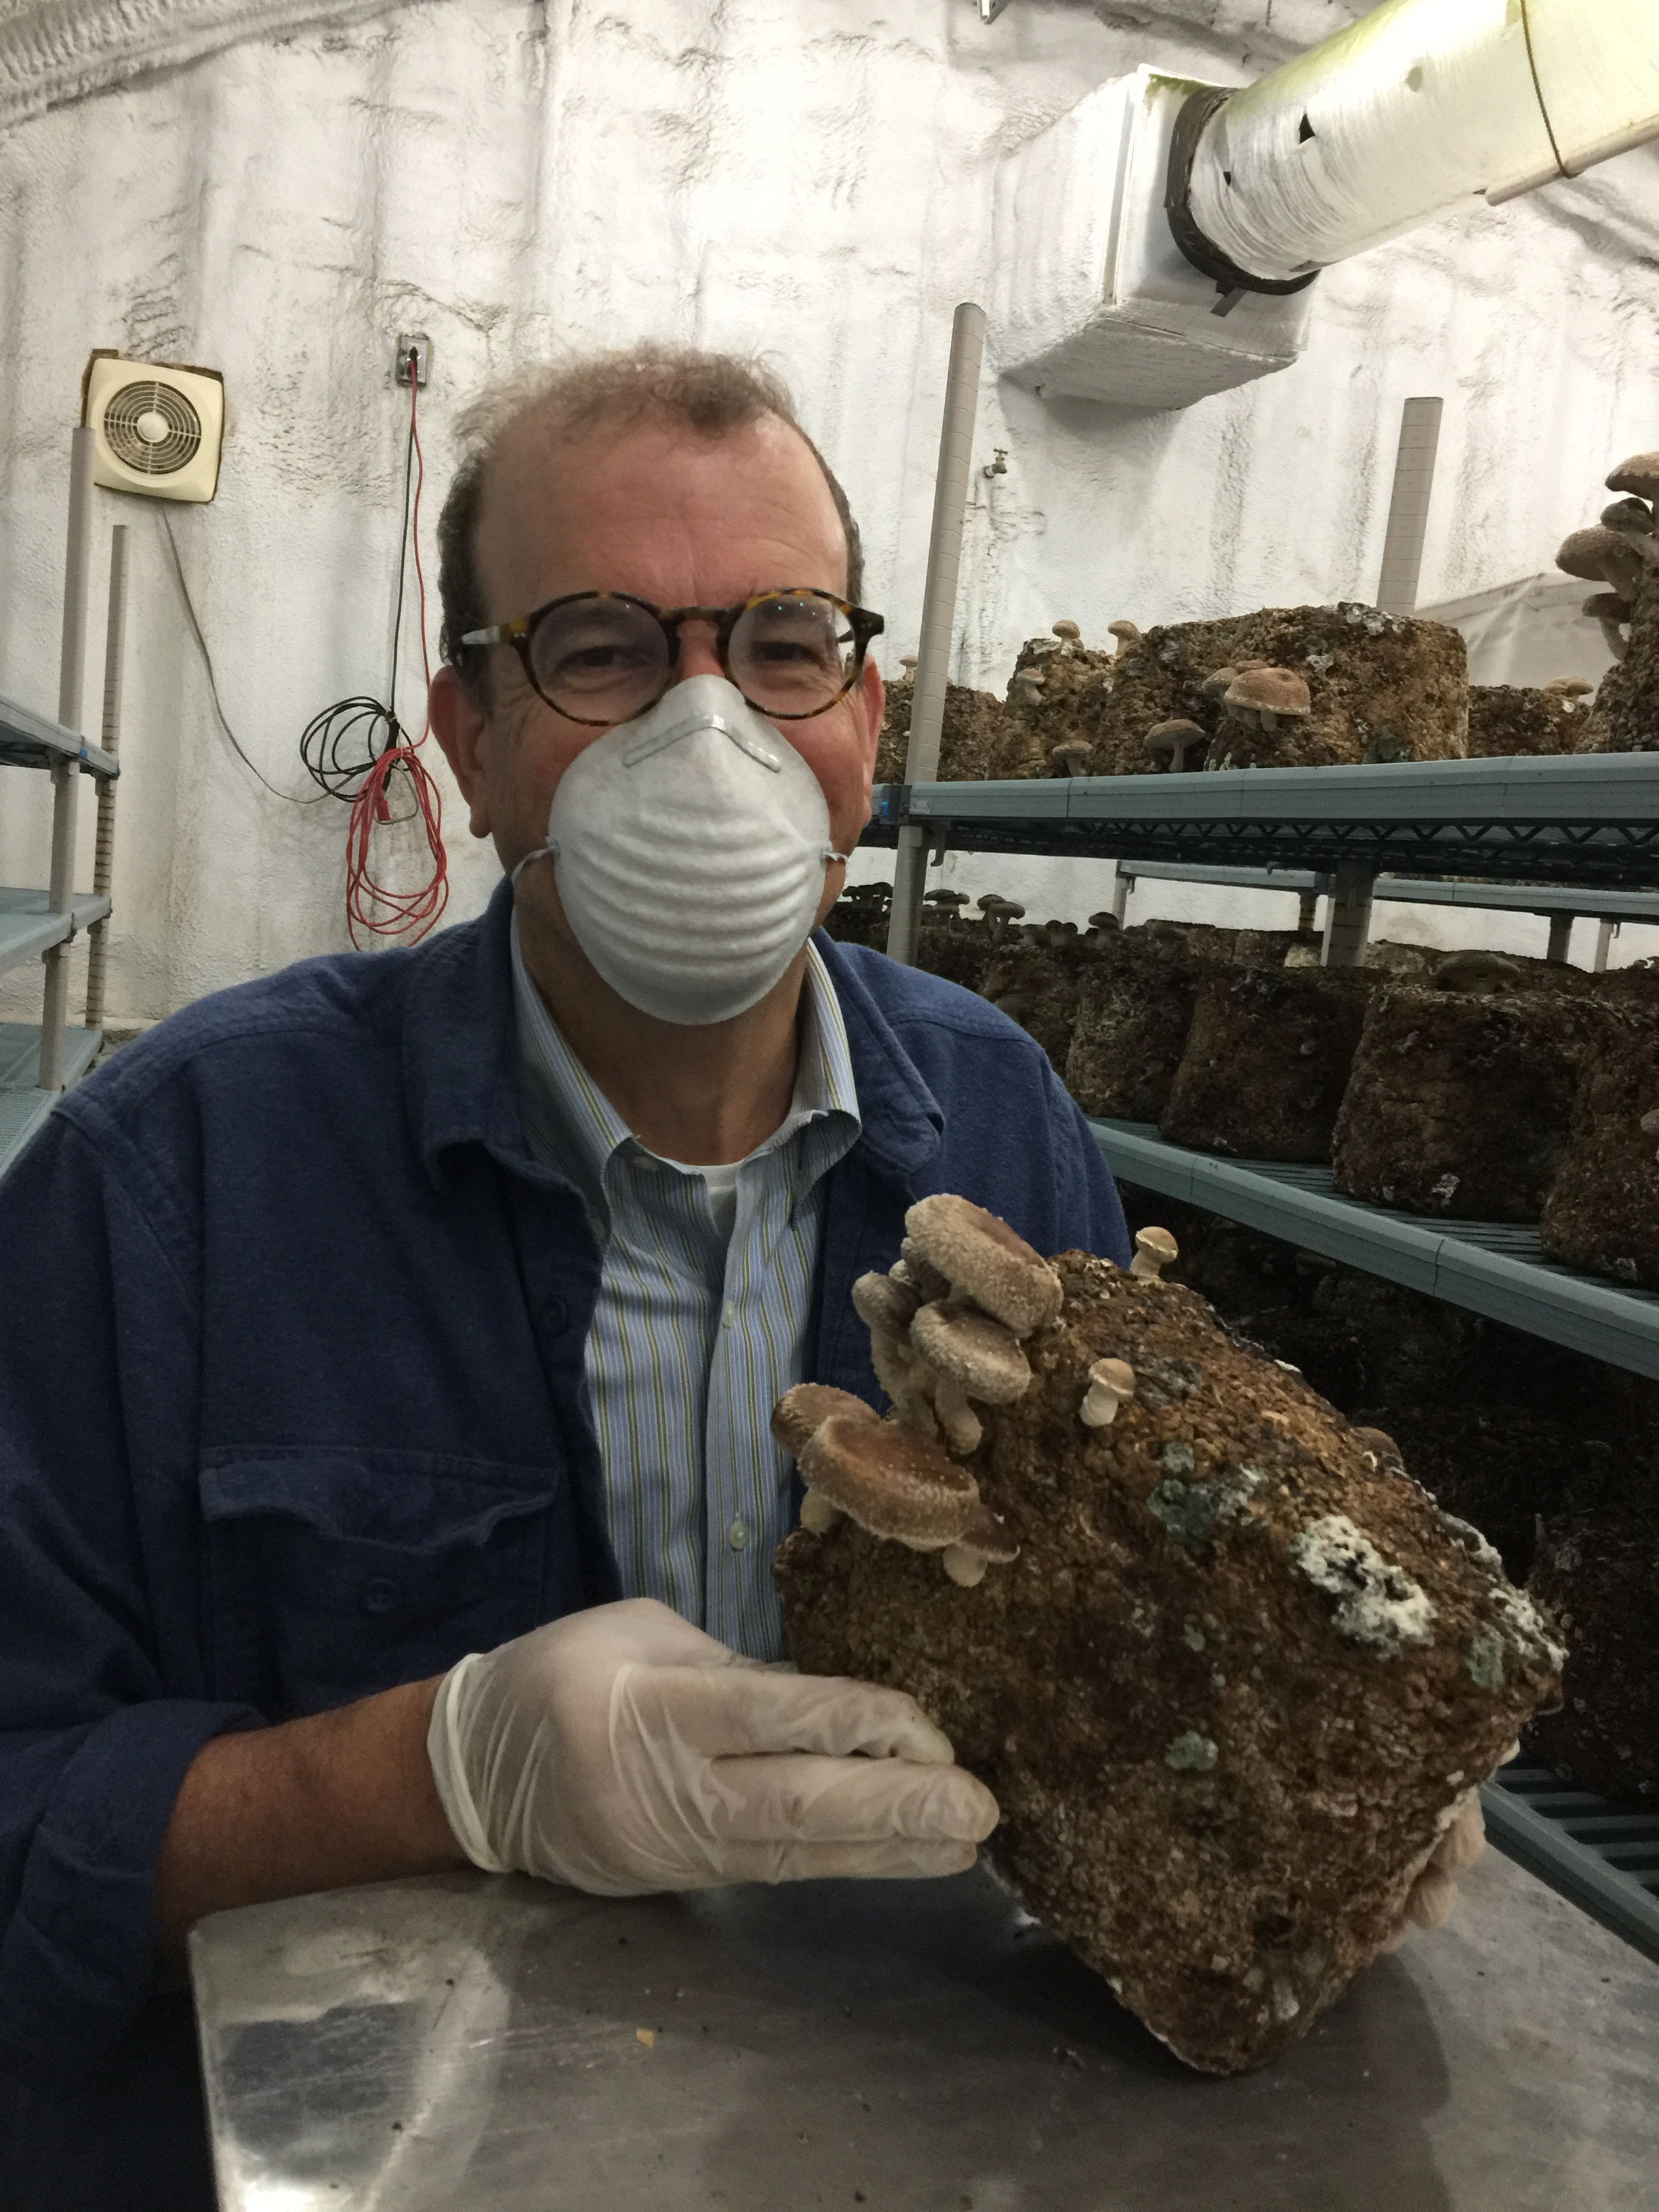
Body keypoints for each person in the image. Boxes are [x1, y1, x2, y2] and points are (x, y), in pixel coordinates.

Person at [0, 345, 1132, 2209]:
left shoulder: (997, 1132)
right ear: (469, 726)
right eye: (604, 648)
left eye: (784, 647)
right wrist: (433, 1777)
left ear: (863, 716)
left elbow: (1106, 1625)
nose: (719, 731)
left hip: (883, 2143)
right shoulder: (186, 1171)